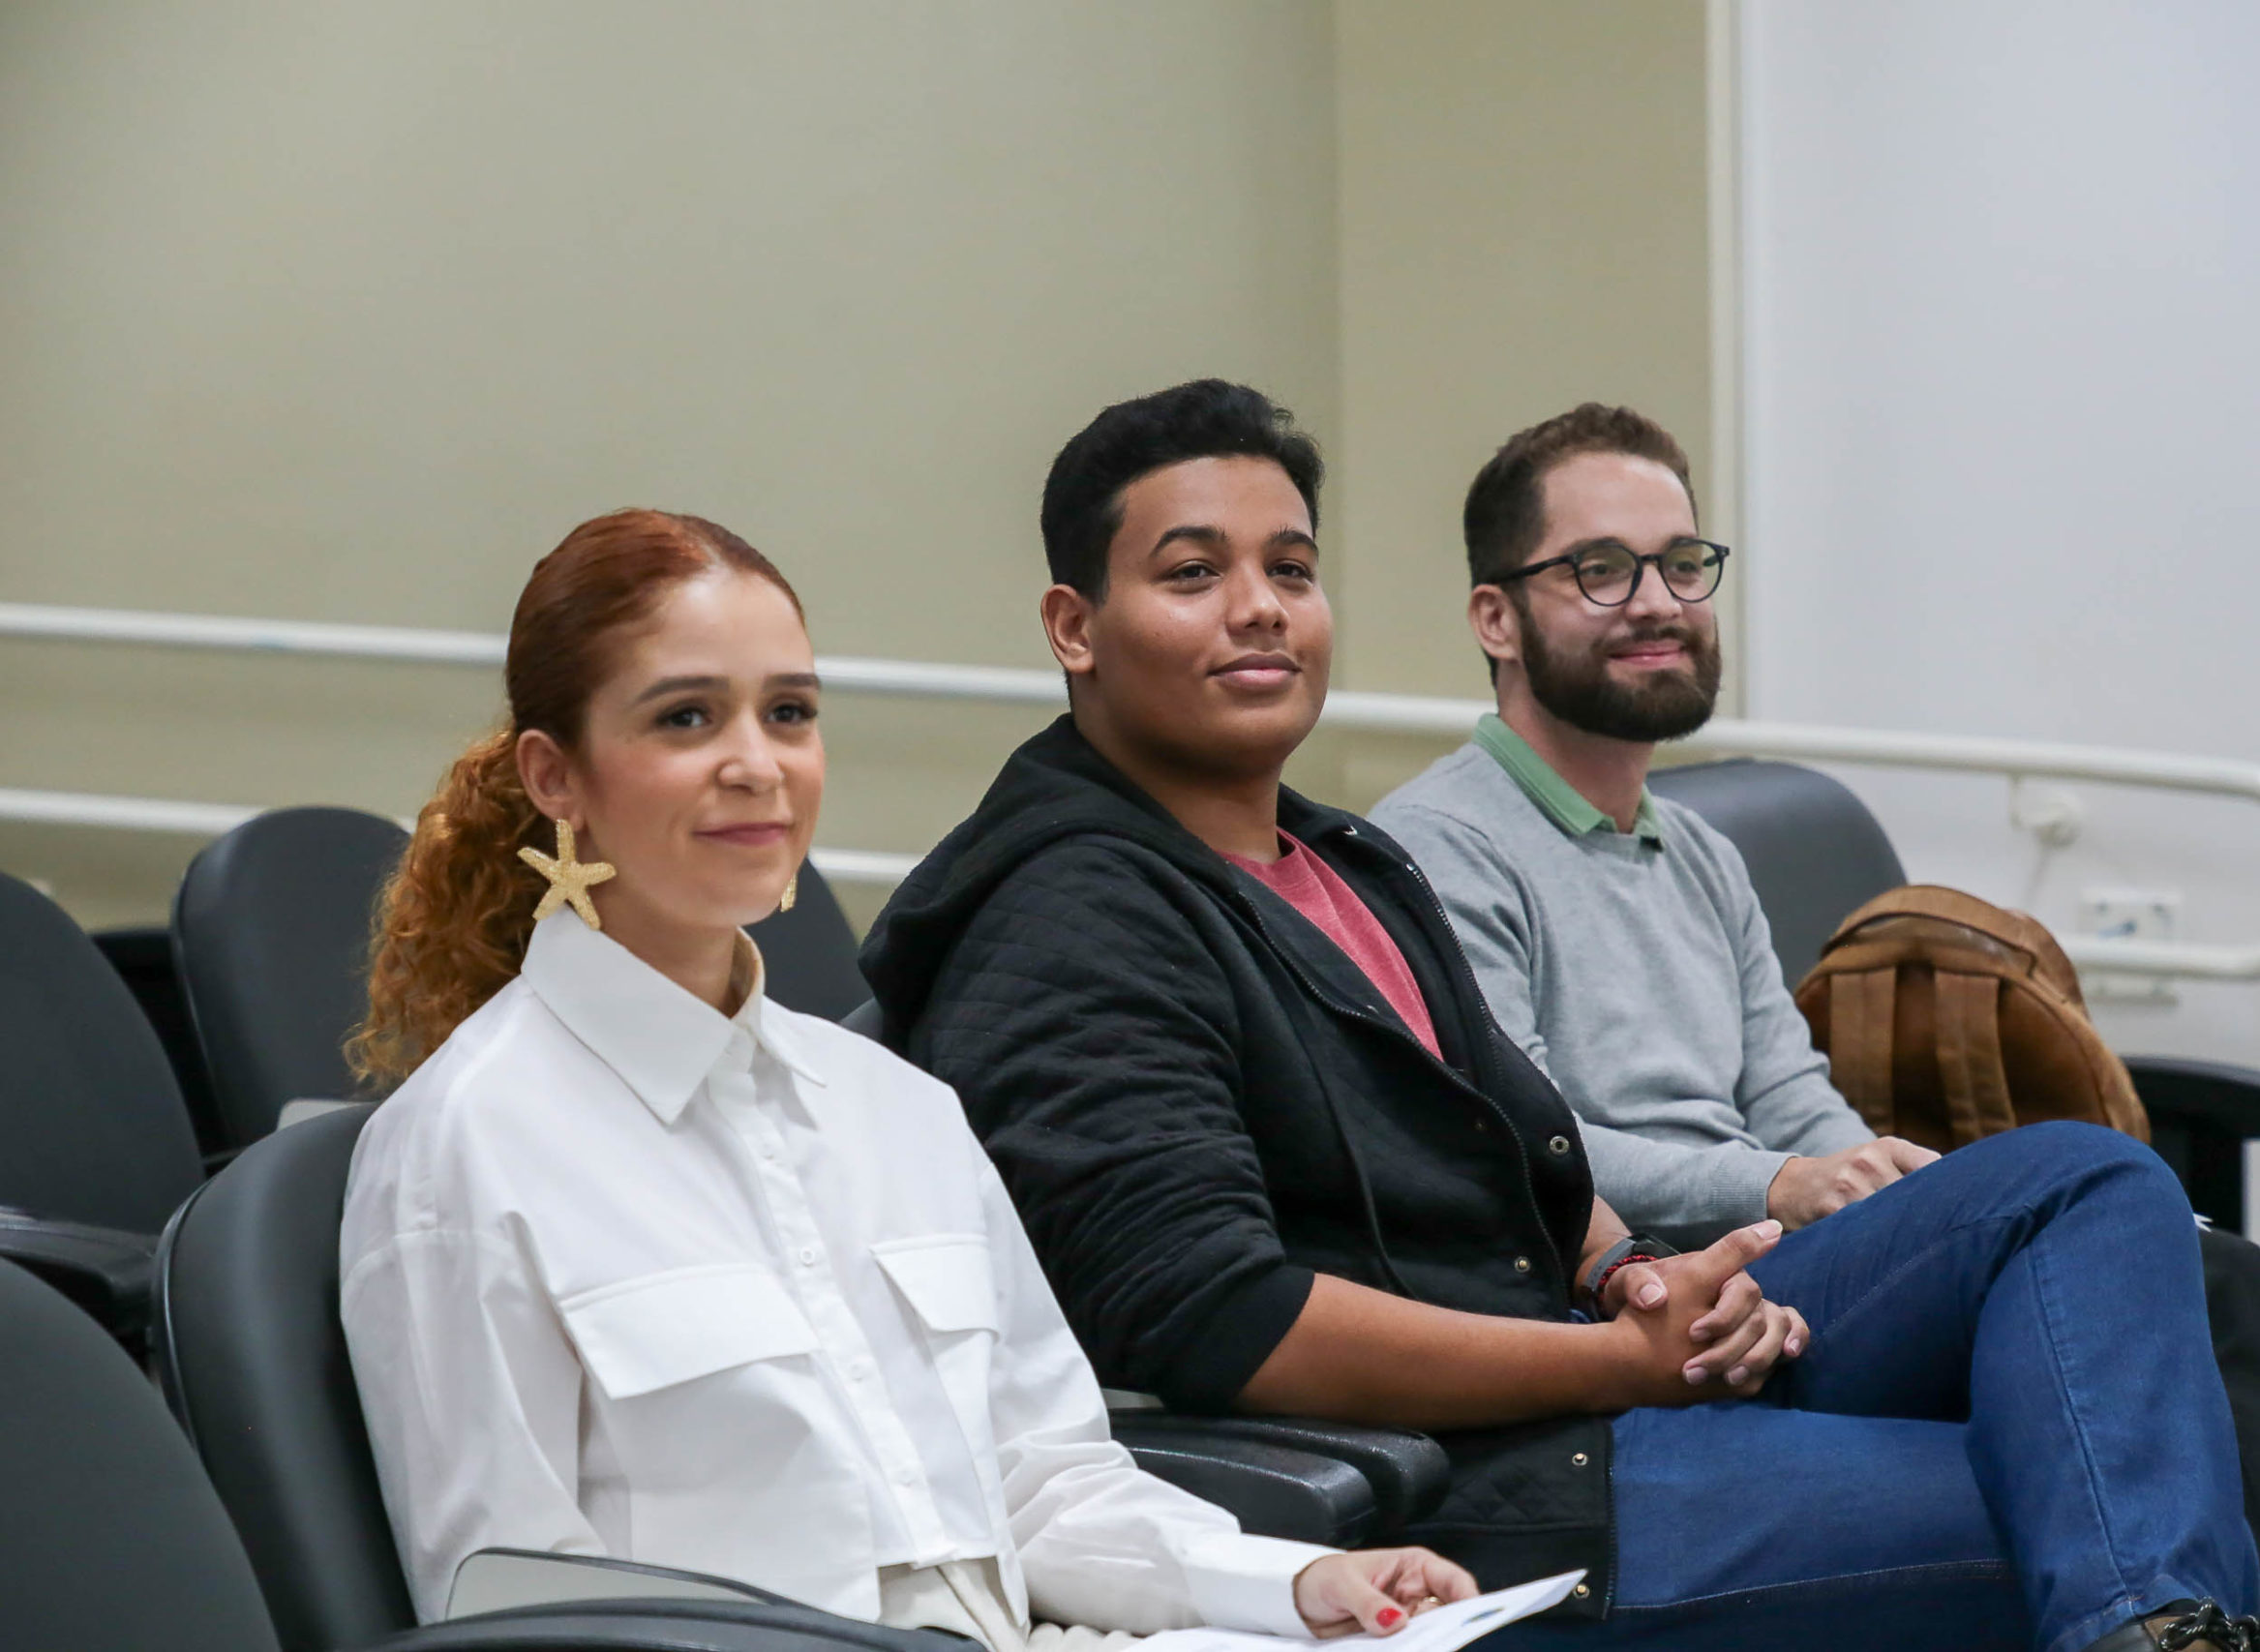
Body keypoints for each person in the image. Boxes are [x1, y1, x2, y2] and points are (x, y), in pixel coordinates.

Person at [860, 380, 2260, 1652]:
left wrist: (1634, 1279)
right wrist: (1614, 1360)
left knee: (2088, 1181)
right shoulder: (1067, 912)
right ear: (1075, 627)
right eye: (1192, 573)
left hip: (1595, 1365)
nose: (1260, 607)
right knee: (2091, 1499)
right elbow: (1217, 1319)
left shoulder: (1344, 860)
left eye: (1289, 568)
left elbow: (1515, 1135)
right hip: (1475, 1487)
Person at [338, 508, 1475, 1644]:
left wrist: (1294, 1585)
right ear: (555, 776)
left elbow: (1044, 1486)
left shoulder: (895, 1106)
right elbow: (512, 1613)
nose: (758, 765)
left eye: (789, 713)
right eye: (686, 717)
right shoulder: (469, 1146)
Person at [1367, 402, 2260, 1652]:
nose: (1657, 600)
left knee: (2208, 1267)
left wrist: (1890, 1189)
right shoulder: (1438, 849)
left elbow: (1792, 1094)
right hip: (1651, 1301)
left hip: (1782, 1275)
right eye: (1602, 569)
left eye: (1681, 563)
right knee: (2094, 1175)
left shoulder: (1698, 854)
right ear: (1496, 617)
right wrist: (1783, 1184)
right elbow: (1530, 1148)